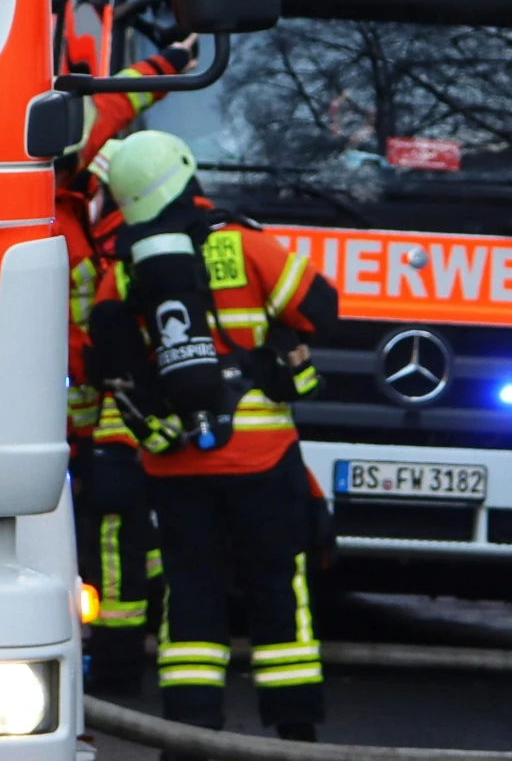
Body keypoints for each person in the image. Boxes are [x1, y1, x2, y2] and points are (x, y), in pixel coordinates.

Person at [88, 129, 338, 748]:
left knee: (189, 594)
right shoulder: (242, 243)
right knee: (278, 587)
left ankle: (193, 727)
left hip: (174, 466)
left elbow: (104, 350)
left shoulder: (125, 267)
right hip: (261, 459)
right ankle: (293, 727)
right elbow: (320, 308)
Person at [55, 43, 190, 694]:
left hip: (92, 432)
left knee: (117, 549)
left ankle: (115, 667)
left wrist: (169, 62)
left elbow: (110, 102)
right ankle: (120, 667)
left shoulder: (81, 225)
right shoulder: (67, 223)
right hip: (93, 430)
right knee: (127, 548)